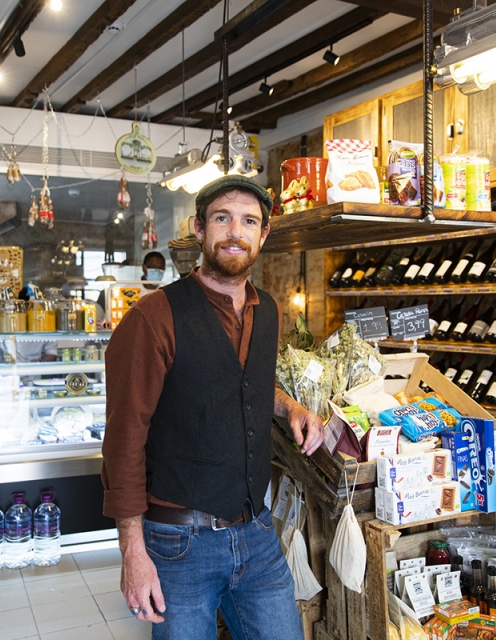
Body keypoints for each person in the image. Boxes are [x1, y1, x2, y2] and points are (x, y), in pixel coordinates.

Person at [101, 175, 324, 639]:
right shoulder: (153, 317)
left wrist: (289, 408)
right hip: (178, 543)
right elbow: (124, 441)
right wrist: (132, 551)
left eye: (249, 221)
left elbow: (244, 384)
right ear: (199, 229)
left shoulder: (268, 311)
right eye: (222, 218)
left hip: (256, 533)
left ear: (263, 234)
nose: (235, 232)